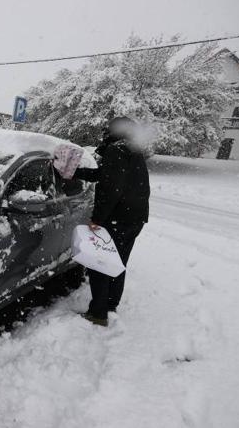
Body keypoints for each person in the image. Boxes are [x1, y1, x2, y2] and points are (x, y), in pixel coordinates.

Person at [72, 117, 150, 327]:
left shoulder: (116, 150)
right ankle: (110, 303)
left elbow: (111, 188)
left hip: (118, 218)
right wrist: (76, 173)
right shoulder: (131, 150)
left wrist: (97, 219)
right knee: (118, 262)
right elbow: (106, 176)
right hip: (135, 218)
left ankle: (98, 313)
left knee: (101, 263)